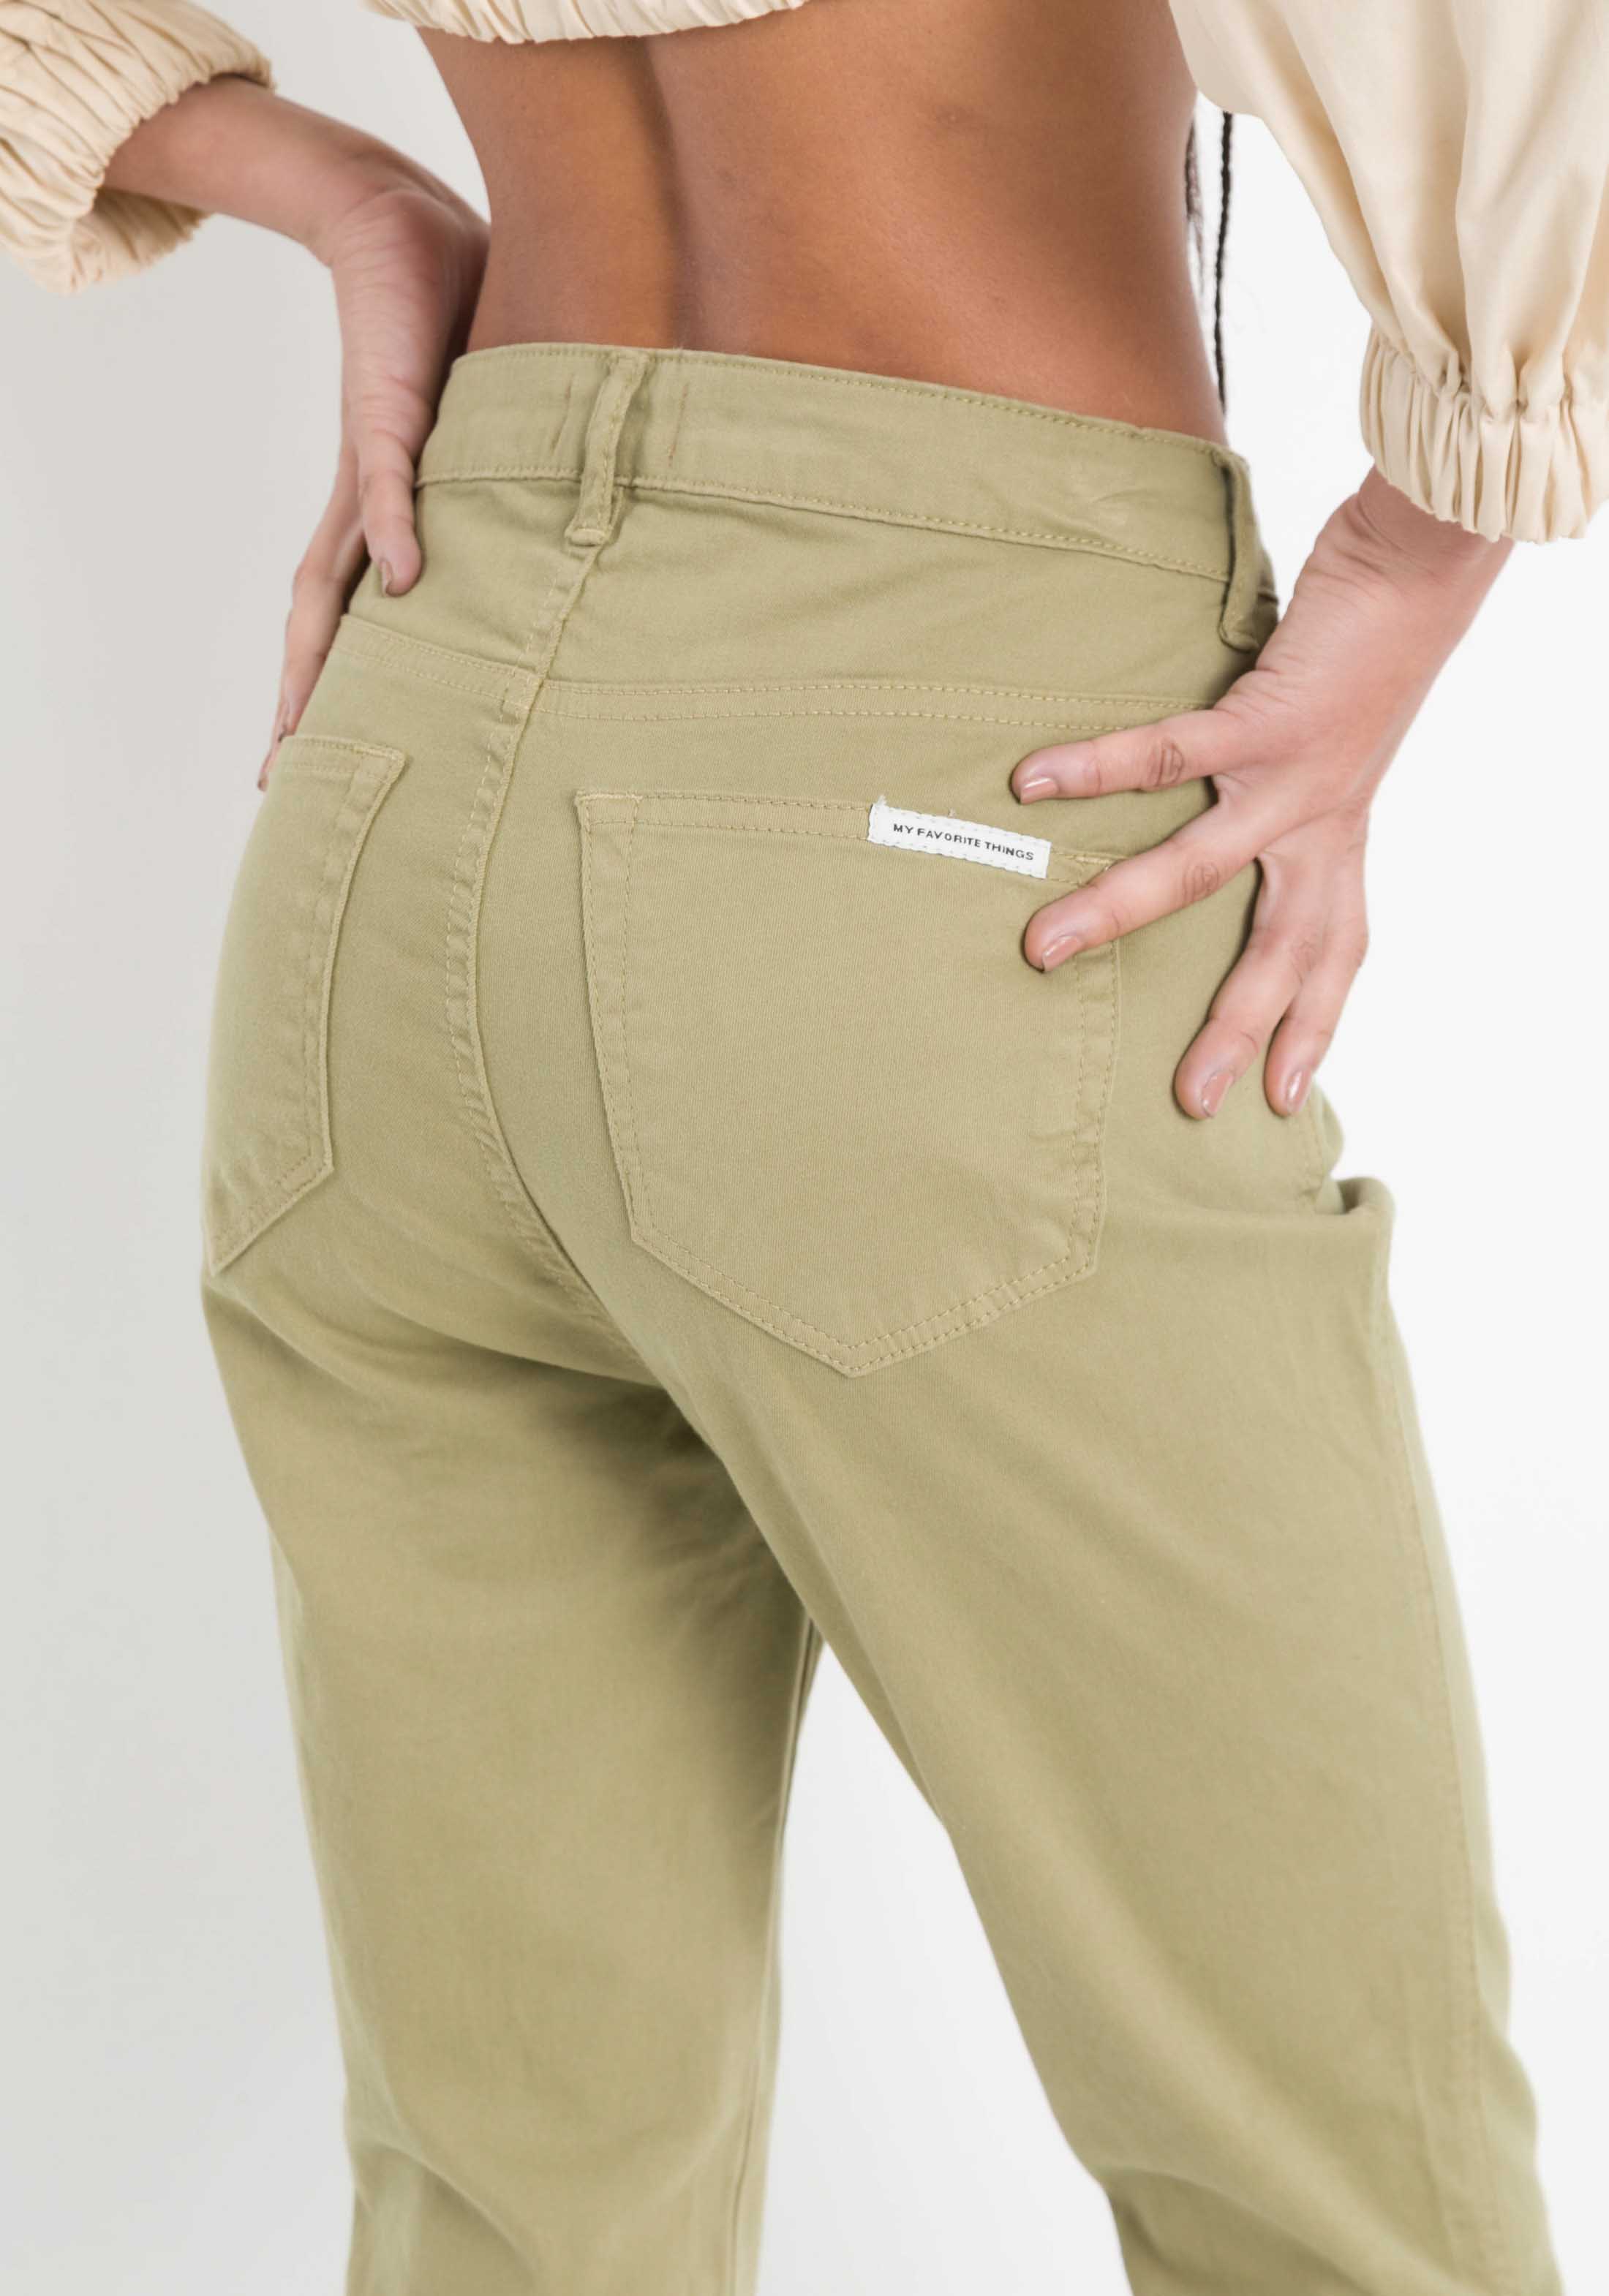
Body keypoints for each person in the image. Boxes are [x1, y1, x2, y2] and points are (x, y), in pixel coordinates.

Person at [2, 2, 1597, 2290]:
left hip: (402, 750)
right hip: (958, 779)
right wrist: (1418, 566)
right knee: (1346, 2214)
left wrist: (343, 192)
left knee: (515, 2224)